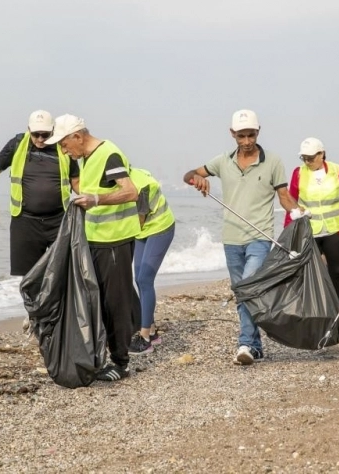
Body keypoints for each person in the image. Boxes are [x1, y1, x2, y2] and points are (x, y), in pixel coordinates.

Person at [183, 109, 300, 366]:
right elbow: (190, 173)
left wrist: (299, 213)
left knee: (247, 284)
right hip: (231, 237)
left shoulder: (273, 161)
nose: (247, 141)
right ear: (232, 134)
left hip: (259, 236)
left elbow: (284, 196)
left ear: (258, 132)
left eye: (251, 135)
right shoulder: (222, 161)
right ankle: (255, 347)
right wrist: (197, 179)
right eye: (241, 136)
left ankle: (245, 342)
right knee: (241, 292)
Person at [45, 114, 141, 382]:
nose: (65, 151)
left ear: (78, 136)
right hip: (97, 240)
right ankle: (103, 355)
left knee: (115, 302)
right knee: (98, 300)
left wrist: (96, 199)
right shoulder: (86, 159)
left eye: (65, 144)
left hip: (115, 241)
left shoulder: (108, 154)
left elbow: (131, 192)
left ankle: (121, 362)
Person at [0, 110, 80, 276]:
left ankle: (56, 303)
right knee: (30, 278)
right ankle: (33, 303)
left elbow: (76, 181)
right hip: (25, 223)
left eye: (45, 135)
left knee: (63, 275)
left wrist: (95, 198)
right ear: (29, 129)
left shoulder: (63, 147)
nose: (40, 139)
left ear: (53, 130)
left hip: (59, 222)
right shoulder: (17, 144)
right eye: (36, 134)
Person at [284, 137, 339, 327]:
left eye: (310, 157)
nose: (307, 162)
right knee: (312, 272)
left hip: (334, 229)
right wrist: (289, 229)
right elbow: (291, 200)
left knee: (337, 271)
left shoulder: (337, 170)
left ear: (321, 154)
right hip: (310, 231)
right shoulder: (298, 173)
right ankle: (318, 312)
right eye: (304, 158)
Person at [127, 167, 176, 355]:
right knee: (138, 277)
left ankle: (145, 337)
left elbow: (138, 218)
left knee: (145, 279)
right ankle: (153, 331)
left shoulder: (139, 185)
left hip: (160, 228)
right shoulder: (126, 176)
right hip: (144, 231)